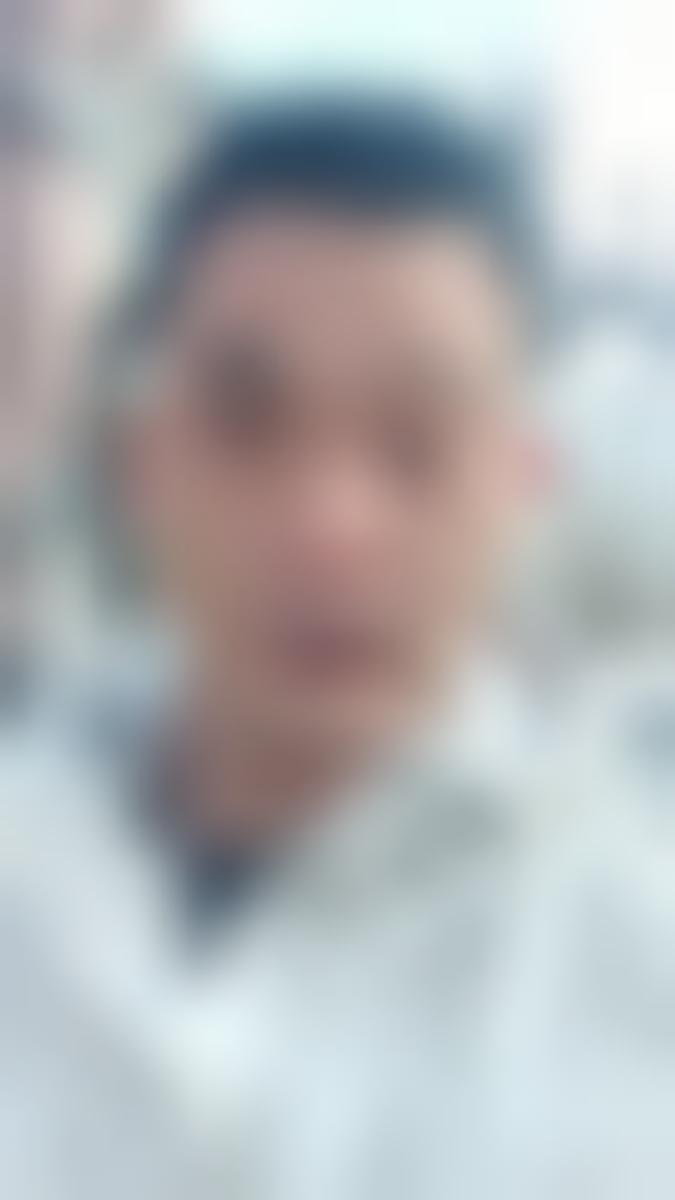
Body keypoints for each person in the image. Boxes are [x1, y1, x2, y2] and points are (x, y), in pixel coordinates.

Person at [3, 94, 675, 1200]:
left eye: (416, 442)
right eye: (248, 423)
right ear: (143, 462)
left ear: (522, 485)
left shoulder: (635, 969)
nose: (329, 523)